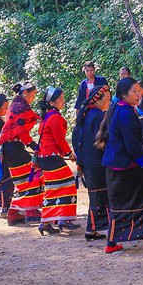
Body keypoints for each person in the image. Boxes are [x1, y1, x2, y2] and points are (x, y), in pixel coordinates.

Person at [99, 77, 143, 254]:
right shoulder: (126, 113)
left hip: (116, 164)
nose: (139, 94)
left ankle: (112, 242)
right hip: (126, 165)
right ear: (123, 94)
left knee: (119, 203)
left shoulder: (119, 107)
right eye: (134, 92)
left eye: (139, 91)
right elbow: (132, 145)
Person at [35, 86, 79, 234]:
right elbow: (59, 140)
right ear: (52, 103)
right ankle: (62, 219)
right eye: (60, 99)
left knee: (54, 188)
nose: (63, 101)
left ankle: (48, 221)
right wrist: (70, 154)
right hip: (52, 157)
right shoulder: (55, 118)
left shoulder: (47, 116)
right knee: (68, 184)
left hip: (46, 158)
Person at [0, 81, 42, 227]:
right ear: (25, 93)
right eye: (33, 95)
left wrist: (32, 144)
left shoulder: (16, 106)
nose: (33, 98)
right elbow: (22, 131)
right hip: (14, 149)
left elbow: (20, 131)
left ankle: (13, 213)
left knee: (21, 181)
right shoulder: (21, 108)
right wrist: (33, 145)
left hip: (9, 150)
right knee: (33, 177)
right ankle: (31, 211)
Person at [73, 84, 110, 240]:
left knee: (95, 196)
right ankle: (101, 227)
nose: (109, 100)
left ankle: (91, 229)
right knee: (100, 196)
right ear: (98, 100)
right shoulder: (98, 116)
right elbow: (102, 141)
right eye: (107, 98)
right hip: (96, 162)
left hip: (87, 161)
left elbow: (76, 138)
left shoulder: (87, 114)